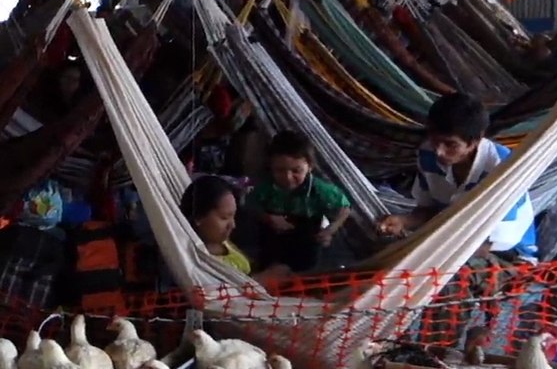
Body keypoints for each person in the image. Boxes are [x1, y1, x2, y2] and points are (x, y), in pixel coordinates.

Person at [375, 92, 538, 263]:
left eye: (450, 144)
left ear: (475, 141)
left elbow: (495, 241)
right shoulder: (427, 154)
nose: (439, 151)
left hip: (507, 255)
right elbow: (428, 210)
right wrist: (403, 221)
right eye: (435, 140)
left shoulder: (502, 168)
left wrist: (429, 248)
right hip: (449, 240)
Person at [249, 130, 352, 273]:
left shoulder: (321, 190)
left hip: (306, 244)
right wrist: (268, 218)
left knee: (303, 273)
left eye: (296, 170)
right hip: (273, 239)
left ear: (310, 166)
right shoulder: (265, 187)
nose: (288, 177)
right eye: (279, 170)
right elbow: (251, 205)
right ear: (270, 167)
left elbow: (345, 208)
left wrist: (330, 230)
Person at [180, 175, 253, 275]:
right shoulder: (195, 262)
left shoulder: (224, 243)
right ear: (199, 217)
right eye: (224, 217)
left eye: (233, 216)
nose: (233, 225)